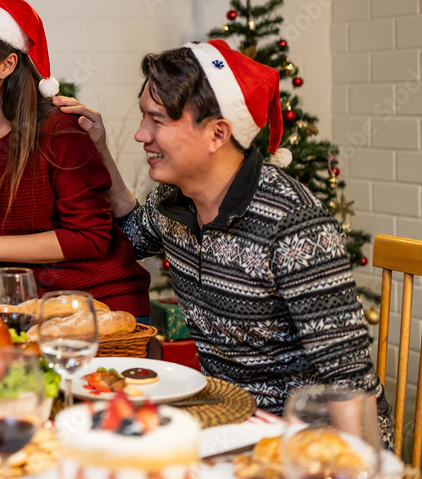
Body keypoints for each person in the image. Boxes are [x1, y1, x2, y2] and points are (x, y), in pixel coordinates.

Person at [59, 39, 393, 445]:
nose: (140, 135)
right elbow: (128, 236)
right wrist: (99, 151)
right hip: (225, 418)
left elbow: (348, 384)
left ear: (217, 133)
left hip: (303, 439)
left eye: (157, 121)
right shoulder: (172, 202)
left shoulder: (295, 226)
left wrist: (354, 466)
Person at [0, 0, 151, 318]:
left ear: (7, 64)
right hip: (29, 308)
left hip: (100, 308)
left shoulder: (59, 130)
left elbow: (90, 237)